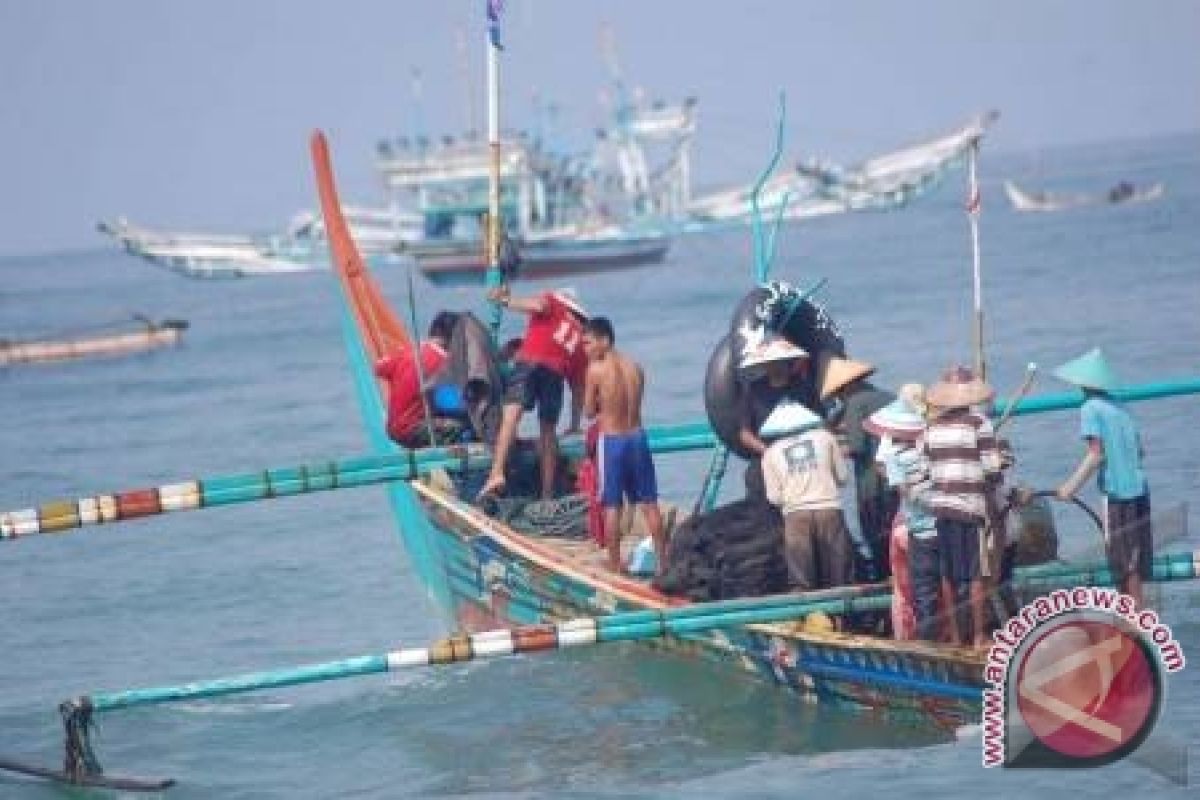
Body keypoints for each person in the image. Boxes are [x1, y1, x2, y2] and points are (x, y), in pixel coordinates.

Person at [1053, 348, 1152, 607]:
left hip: (1117, 492)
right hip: (1139, 489)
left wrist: (1069, 488)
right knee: (1136, 554)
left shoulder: (1090, 409)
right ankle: (1139, 615)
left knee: (1122, 558)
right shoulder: (1121, 406)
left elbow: (1096, 454)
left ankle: (1132, 617)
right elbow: (1141, 450)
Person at [478, 287, 588, 500]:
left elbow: (538, 306)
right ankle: (547, 494)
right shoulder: (581, 340)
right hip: (555, 374)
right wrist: (575, 425)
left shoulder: (554, 303)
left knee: (511, 417)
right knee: (548, 431)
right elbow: (578, 388)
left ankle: (497, 473)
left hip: (529, 364)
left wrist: (506, 300)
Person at [922, 366, 1002, 648]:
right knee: (976, 573)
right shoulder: (979, 423)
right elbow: (992, 469)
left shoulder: (931, 428)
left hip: (941, 506)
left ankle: (956, 637)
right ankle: (979, 635)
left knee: (948, 574)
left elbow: (926, 468)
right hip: (970, 506)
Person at [581, 317, 666, 575]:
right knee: (650, 503)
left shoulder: (595, 370)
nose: (585, 349)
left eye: (588, 343)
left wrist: (596, 403)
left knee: (612, 505)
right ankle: (663, 563)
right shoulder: (636, 367)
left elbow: (587, 412)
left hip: (614, 441)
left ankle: (615, 564)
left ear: (604, 341)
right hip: (638, 438)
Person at [867, 387, 938, 641]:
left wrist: (903, 479)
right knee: (943, 582)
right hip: (940, 523)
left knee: (910, 588)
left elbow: (883, 468)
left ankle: (918, 637)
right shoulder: (931, 435)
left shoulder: (893, 441)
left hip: (912, 524)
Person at [760, 401, 854, 592]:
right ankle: (843, 616)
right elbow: (843, 477)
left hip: (795, 514)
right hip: (829, 508)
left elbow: (773, 497)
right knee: (838, 571)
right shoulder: (826, 438)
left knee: (802, 577)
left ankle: (806, 615)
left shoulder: (770, 453)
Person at [821, 357, 897, 580]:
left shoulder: (855, 403)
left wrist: (831, 450)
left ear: (845, 388)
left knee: (876, 539)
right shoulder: (889, 397)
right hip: (899, 480)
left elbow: (856, 445)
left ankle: (883, 588)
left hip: (872, 484)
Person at [736, 336, 812, 499]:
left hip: (801, 457)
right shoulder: (754, 391)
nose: (775, 366)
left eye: (780, 361)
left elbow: (818, 424)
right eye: (771, 362)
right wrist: (768, 451)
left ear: (788, 361)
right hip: (766, 455)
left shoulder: (803, 387)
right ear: (764, 365)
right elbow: (745, 434)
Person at [374, 312, 458, 448]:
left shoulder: (408, 351)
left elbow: (379, 368)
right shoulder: (443, 361)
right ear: (450, 337)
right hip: (413, 429)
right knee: (463, 427)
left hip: (393, 429)